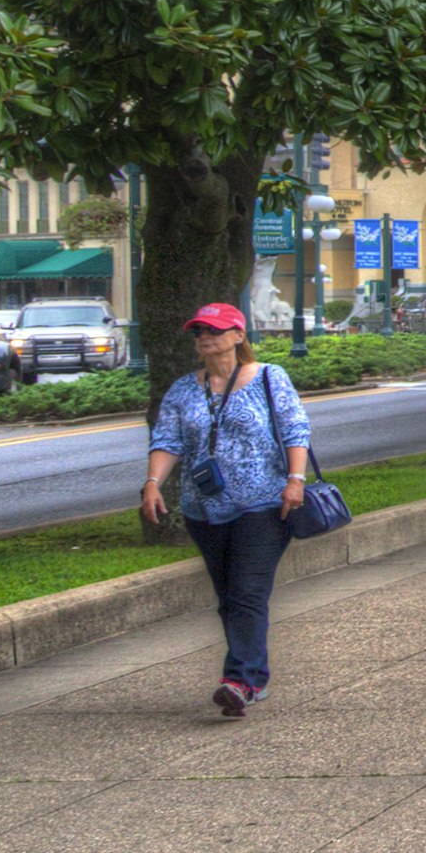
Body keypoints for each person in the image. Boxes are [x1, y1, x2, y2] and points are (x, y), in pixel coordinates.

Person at [143, 302, 313, 717]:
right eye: (199, 330)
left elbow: (295, 429)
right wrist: (152, 483)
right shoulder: (184, 389)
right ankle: (251, 676)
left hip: (265, 504)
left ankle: (240, 680)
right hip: (204, 510)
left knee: (247, 592)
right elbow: (168, 440)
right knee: (229, 597)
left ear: (239, 335)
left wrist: (296, 480)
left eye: (215, 329)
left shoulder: (270, 378)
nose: (206, 336)